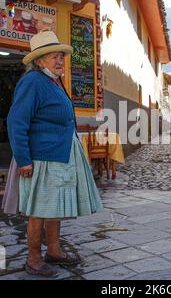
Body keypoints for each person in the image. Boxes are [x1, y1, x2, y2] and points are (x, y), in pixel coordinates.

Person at [3, 31, 103, 277]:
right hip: (42, 157)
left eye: (61, 56)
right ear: (39, 61)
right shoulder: (33, 82)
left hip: (59, 154)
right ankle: (34, 259)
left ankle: (55, 251)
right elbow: (17, 122)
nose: (60, 61)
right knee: (39, 209)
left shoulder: (53, 81)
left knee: (54, 207)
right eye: (53, 57)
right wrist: (24, 160)